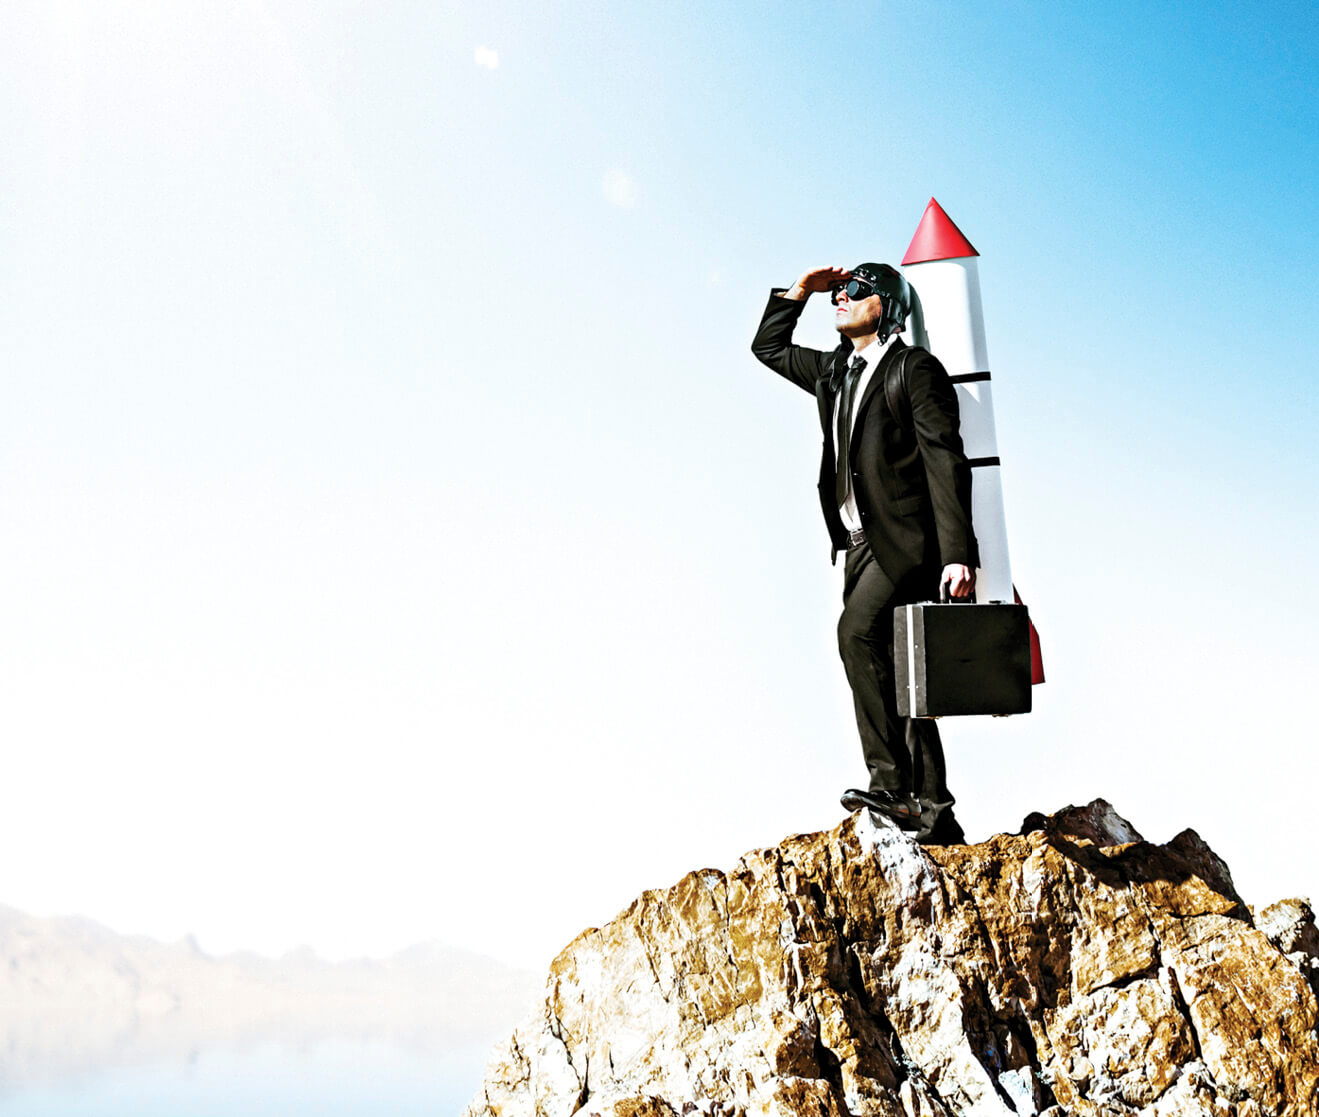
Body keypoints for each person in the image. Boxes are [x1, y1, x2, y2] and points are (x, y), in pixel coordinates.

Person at [750, 263, 978, 845]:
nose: (842, 299)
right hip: (854, 547)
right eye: (839, 292)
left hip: (904, 544)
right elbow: (768, 346)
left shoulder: (915, 370)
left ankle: (892, 786)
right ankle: (934, 808)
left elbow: (943, 460)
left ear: (887, 305)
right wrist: (801, 290)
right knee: (900, 673)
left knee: (855, 635)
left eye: (856, 291)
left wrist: (958, 554)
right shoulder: (834, 370)